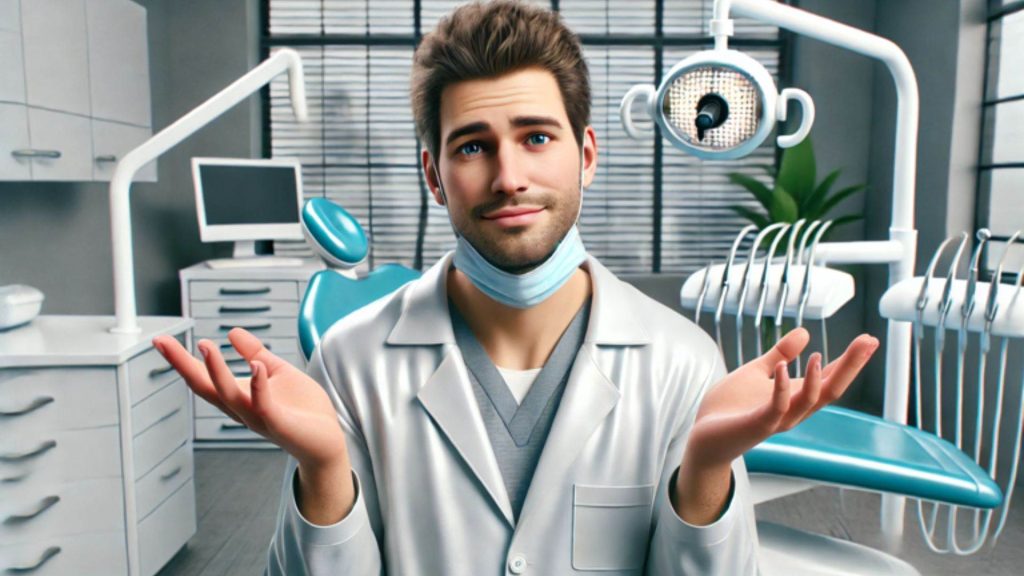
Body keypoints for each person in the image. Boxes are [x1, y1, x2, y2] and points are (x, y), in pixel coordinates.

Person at [153, 1, 879, 573]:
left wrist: (708, 471)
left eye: (536, 137)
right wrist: (322, 472)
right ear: (434, 175)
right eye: (473, 146)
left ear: (585, 154)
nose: (508, 177)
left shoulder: (681, 362)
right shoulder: (350, 362)